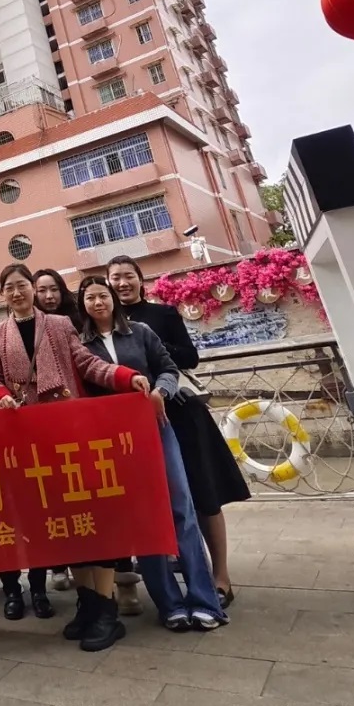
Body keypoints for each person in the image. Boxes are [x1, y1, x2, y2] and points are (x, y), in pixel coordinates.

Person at [0, 263, 150, 652]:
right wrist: (0, 396)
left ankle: (107, 610)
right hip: (31, 439)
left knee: (93, 517)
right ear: (3, 294)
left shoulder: (59, 324)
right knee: (64, 523)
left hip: (70, 434)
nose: (16, 292)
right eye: (9, 288)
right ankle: (88, 603)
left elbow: (87, 364)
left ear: (32, 288)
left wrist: (125, 376)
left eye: (22, 285)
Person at [77, 276, 226, 634]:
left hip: (157, 429)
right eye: (89, 298)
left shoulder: (141, 332)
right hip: (114, 441)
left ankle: (204, 601)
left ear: (113, 298)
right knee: (142, 518)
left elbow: (168, 369)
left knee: (181, 509)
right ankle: (169, 604)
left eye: (102, 295)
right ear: (82, 305)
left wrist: (161, 391)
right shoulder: (81, 346)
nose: (97, 302)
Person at [107, 255, 248, 609]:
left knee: (203, 495)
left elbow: (189, 356)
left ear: (140, 280)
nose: (122, 283)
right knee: (152, 500)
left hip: (179, 413)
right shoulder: (104, 325)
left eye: (128, 276)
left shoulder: (162, 315)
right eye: (115, 278)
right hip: (133, 425)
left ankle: (221, 577)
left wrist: (149, 343)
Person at [31, 270, 83, 596]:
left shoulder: (71, 323)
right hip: (40, 424)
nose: (49, 296)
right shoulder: (19, 331)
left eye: (54, 290)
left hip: (74, 416)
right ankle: (60, 563)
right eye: (42, 291)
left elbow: (86, 363)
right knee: (49, 496)